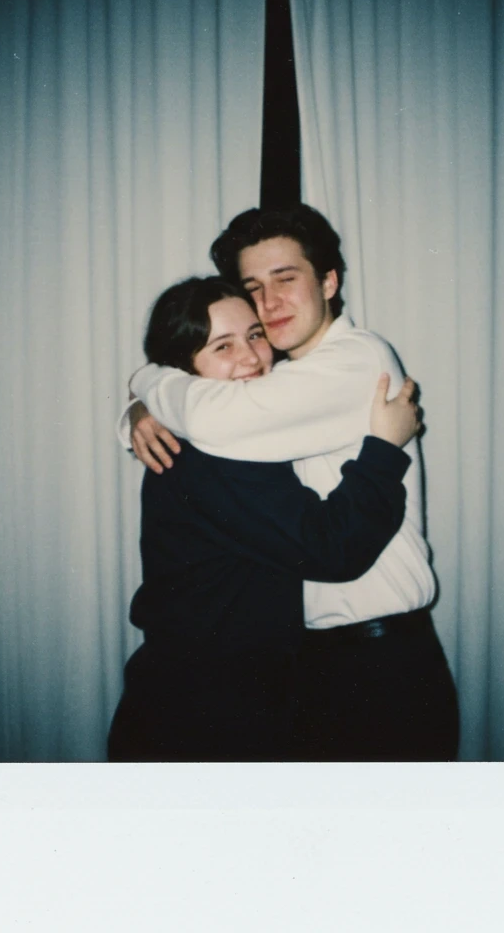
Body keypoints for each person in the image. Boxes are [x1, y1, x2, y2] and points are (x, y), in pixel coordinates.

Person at [125, 205, 459, 761]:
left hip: (379, 664)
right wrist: (138, 406)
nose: (270, 301)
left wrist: (147, 380)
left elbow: (209, 418)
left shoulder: (356, 362)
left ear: (329, 281)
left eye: (286, 278)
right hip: (308, 666)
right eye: (253, 286)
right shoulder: (273, 377)